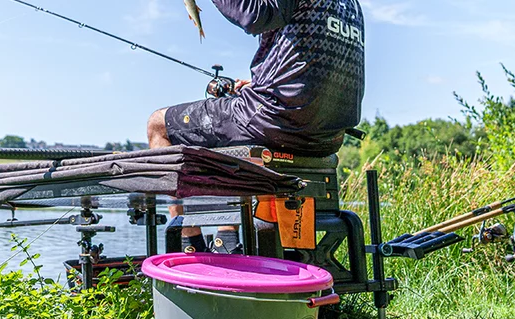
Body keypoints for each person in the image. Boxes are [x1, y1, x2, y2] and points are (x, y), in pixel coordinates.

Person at [147, 0, 365, 253]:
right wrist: (259, 84)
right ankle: (225, 238)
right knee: (231, 119)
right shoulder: (350, 4)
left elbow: (256, 14)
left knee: (158, 125)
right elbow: (316, 59)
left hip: (277, 119)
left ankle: (189, 241)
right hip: (328, 134)